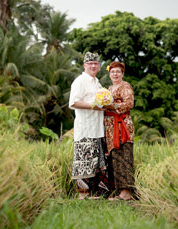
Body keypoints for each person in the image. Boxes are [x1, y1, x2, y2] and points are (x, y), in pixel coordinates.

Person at [68, 52, 108, 199]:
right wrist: (93, 106)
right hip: (85, 128)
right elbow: (73, 102)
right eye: (90, 63)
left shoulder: (97, 82)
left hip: (97, 128)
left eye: (96, 63)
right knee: (83, 161)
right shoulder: (80, 81)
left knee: (95, 162)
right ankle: (82, 195)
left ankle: (93, 193)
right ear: (85, 65)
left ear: (99, 66)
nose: (93, 66)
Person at [104, 61, 135, 201]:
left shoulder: (125, 86)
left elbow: (129, 103)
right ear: (109, 74)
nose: (115, 74)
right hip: (111, 127)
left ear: (122, 74)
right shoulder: (109, 88)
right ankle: (119, 191)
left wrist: (112, 105)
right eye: (112, 72)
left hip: (122, 126)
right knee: (115, 157)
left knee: (124, 156)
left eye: (118, 72)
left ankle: (126, 193)